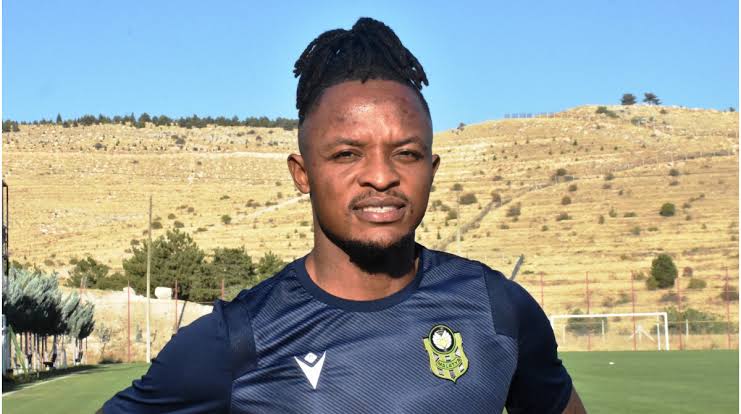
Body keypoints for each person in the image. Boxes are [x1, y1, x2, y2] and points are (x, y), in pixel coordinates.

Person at [100, 17, 586, 413]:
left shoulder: (498, 309)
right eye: (347, 154)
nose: (381, 176)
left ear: (431, 169)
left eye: (407, 154)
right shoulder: (235, 340)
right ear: (303, 173)